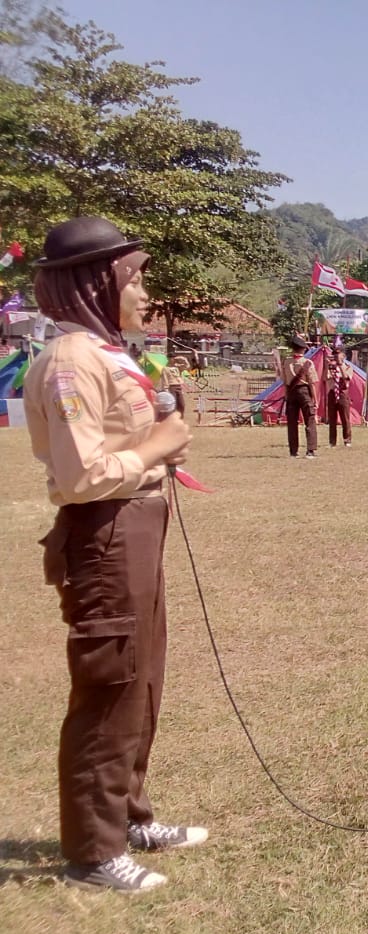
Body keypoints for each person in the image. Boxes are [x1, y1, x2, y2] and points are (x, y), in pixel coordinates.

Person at [24, 216, 204, 893]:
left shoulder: (107, 353)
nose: (145, 293)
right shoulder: (73, 362)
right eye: (135, 279)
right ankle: (93, 852)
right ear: (98, 282)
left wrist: (158, 446)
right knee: (108, 686)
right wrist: (155, 447)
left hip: (135, 525)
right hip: (103, 532)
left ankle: (128, 815)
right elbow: (77, 476)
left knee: (140, 679)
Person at [283, 333, 318, 459]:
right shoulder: (307, 363)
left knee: (292, 423)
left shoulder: (286, 362)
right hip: (304, 392)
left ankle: (293, 451)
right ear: (303, 349)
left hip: (291, 393)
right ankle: (310, 450)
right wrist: (314, 399)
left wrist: (286, 396)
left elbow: (285, 382)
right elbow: (312, 383)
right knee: (310, 420)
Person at [326, 346, 353, 448]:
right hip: (332, 393)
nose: (336, 356)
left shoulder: (348, 367)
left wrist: (340, 364)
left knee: (345, 418)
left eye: (338, 354)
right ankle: (332, 441)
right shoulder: (330, 368)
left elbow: (346, 377)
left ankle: (347, 440)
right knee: (332, 419)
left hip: (342, 393)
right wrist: (326, 365)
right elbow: (325, 377)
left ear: (343, 355)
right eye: (335, 354)